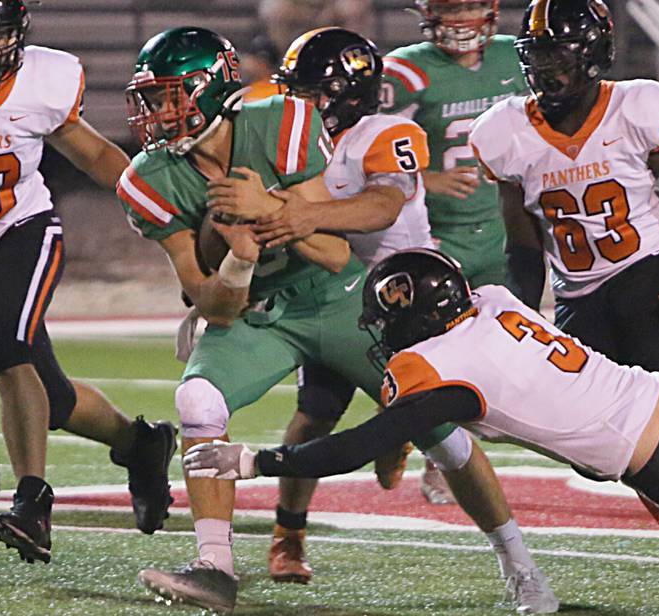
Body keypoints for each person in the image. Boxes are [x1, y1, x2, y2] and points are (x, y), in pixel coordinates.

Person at [117, 25, 532, 615]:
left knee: (443, 429)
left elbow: (340, 252)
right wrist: (240, 256)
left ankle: (519, 562)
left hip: (345, 298)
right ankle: (217, 565)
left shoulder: (288, 126)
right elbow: (209, 301)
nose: (157, 112)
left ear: (208, 89)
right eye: (151, 98)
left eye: (168, 95)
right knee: (199, 400)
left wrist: (272, 212)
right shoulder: (149, 178)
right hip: (264, 315)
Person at [231, 27, 556, 612]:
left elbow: (383, 205)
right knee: (314, 415)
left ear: (347, 94)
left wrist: (301, 215)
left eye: (309, 92)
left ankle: (518, 561)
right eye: (294, 91)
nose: (296, 104)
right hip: (333, 293)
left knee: (450, 442)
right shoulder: (286, 141)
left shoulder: (386, 132)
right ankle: (289, 534)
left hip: (410, 299)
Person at [184, 248, 659, 612]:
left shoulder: (440, 366)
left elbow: (361, 444)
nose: (384, 331)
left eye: (386, 319)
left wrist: (258, 462)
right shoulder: (494, 302)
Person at [0, 0, 177, 563]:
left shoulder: (44, 79)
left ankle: (32, 503)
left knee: (3, 349)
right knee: (50, 396)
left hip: (21, 228)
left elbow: (93, 151)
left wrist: (163, 213)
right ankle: (140, 444)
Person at [469, 0, 659, 378]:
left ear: (594, 51)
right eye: (537, 55)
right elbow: (524, 248)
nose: (544, 67)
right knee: (591, 423)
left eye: (557, 54)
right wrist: (522, 318)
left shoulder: (634, 108)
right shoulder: (506, 133)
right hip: (576, 296)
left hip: (647, 276)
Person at [380, 0, 527, 504]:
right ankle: (430, 448)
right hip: (436, 239)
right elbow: (358, 147)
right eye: (449, 6)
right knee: (438, 352)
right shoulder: (405, 71)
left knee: (509, 352)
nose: (460, 18)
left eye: (469, 4)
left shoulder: (518, 57)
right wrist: (424, 177)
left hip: (505, 232)